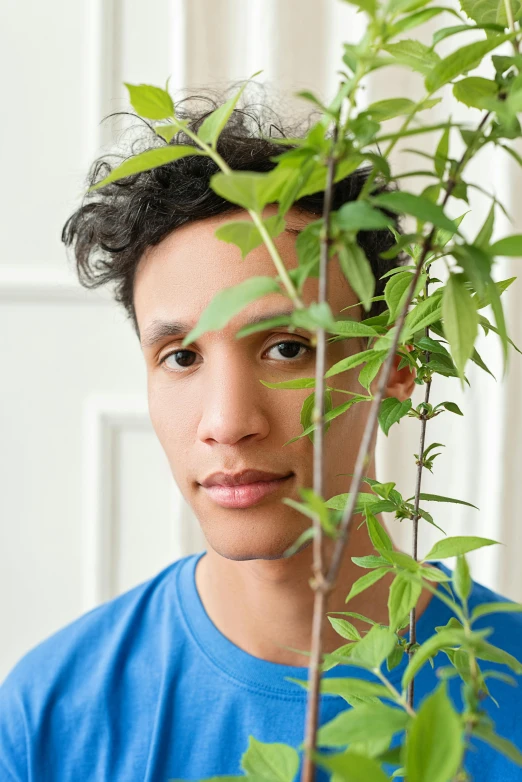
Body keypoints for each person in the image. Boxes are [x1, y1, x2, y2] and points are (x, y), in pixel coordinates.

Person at [1, 91, 521, 782]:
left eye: (287, 348)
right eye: (181, 357)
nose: (226, 422)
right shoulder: (54, 715)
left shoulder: (503, 688)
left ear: (396, 363)